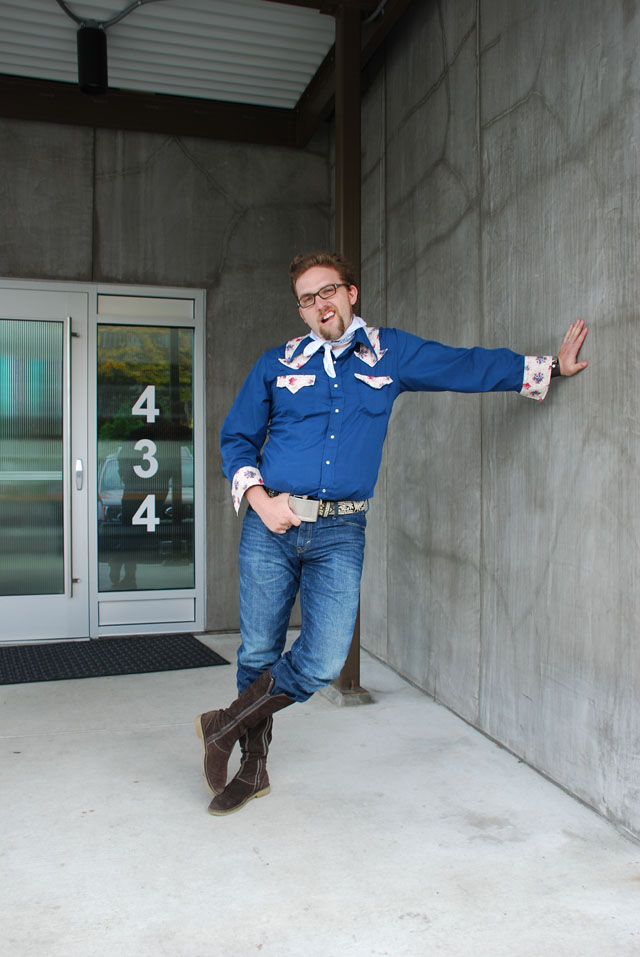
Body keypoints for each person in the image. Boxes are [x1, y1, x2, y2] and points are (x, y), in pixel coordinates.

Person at [196, 250, 589, 816]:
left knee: (323, 659)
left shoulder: (390, 353)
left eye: (327, 291)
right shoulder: (276, 364)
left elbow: (463, 366)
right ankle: (252, 767)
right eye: (307, 298)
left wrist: (547, 368)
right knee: (258, 650)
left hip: (341, 530)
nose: (319, 304)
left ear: (349, 293)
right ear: (300, 310)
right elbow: (236, 439)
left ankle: (222, 726)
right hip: (271, 524)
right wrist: (259, 501)